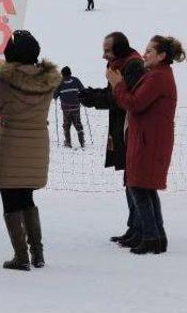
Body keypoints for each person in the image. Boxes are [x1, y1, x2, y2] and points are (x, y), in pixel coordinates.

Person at [0, 30, 62, 271]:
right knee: (27, 197)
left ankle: (21, 256)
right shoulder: (47, 81)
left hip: (10, 144)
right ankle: (37, 253)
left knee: (10, 199)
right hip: (37, 143)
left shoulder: (5, 81)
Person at [107, 36, 183, 254]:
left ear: (161, 56)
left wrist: (118, 85)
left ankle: (151, 237)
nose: (145, 54)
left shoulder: (158, 77)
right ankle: (157, 237)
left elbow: (134, 103)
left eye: (150, 51)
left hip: (149, 141)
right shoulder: (158, 75)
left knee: (140, 188)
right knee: (145, 188)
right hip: (149, 139)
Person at [78, 32, 145, 247]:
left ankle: (140, 228)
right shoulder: (118, 65)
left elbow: (121, 99)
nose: (104, 55)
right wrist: (90, 94)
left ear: (120, 48)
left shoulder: (133, 65)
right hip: (123, 127)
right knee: (129, 178)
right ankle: (134, 227)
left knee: (135, 180)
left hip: (130, 129)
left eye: (107, 50)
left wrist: (92, 98)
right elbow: (114, 95)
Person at [53, 66, 86, 148]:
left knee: (66, 125)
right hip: (76, 106)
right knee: (78, 124)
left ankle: (68, 143)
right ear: (70, 72)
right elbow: (83, 90)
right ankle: (82, 142)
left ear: (62, 74)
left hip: (66, 107)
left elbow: (54, 95)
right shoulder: (76, 80)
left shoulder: (60, 82)